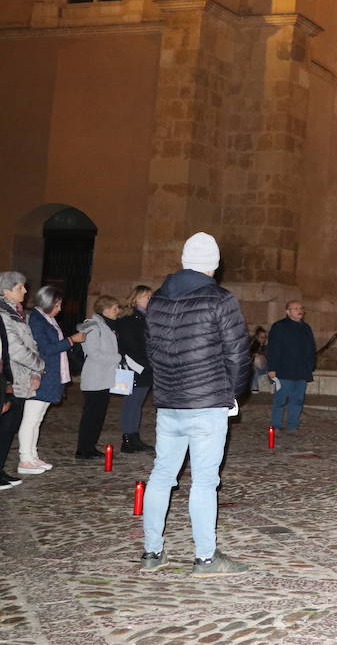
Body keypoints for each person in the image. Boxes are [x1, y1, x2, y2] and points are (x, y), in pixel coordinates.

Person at [139, 232, 251, 575]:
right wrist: (232, 393)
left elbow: (151, 350)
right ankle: (205, 556)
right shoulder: (220, 299)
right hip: (206, 401)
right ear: (213, 266)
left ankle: (152, 552)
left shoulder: (156, 300)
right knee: (204, 480)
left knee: (161, 476)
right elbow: (237, 353)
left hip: (169, 402)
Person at [22, 286, 86, 472]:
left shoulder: (48, 319)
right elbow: (45, 349)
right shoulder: (37, 320)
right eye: (57, 305)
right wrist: (70, 340)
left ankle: (32, 455)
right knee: (31, 418)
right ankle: (25, 458)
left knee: (38, 418)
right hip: (41, 374)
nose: (60, 309)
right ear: (47, 303)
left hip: (50, 375)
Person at [0, 271, 42, 489]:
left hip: (24, 376)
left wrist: (35, 373)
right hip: (10, 378)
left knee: (10, 427)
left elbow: (31, 343)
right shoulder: (4, 315)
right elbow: (15, 349)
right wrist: (40, 365)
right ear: (6, 291)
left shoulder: (17, 313)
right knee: (5, 426)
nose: (25, 291)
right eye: (20, 287)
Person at [74, 295, 123, 458]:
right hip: (95, 377)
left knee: (98, 416)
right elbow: (93, 353)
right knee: (91, 416)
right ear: (106, 310)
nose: (118, 311)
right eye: (115, 308)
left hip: (104, 378)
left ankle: (90, 446)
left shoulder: (106, 326)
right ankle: (83, 449)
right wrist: (117, 358)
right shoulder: (93, 327)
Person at [114, 285, 154, 453]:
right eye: (146, 297)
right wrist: (146, 361)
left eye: (150, 297)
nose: (149, 300)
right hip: (135, 366)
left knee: (137, 403)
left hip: (145, 365)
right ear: (136, 298)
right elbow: (131, 344)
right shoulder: (129, 319)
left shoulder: (146, 318)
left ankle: (134, 437)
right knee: (131, 403)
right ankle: (128, 439)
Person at [267, 301, 316, 431]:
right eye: (295, 308)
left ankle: (292, 425)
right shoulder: (279, 326)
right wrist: (272, 368)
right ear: (288, 312)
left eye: (301, 308)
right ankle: (276, 425)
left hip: (301, 371)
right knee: (280, 400)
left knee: (298, 400)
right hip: (284, 370)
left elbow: (311, 348)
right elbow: (273, 348)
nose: (299, 310)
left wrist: (311, 365)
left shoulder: (306, 327)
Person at [250, 326, 269, 392]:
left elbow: (268, 354)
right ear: (257, 337)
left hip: (265, 363)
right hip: (254, 363)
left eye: (265, 337)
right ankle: (254, 386)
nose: (263, 339)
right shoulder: (253, 343)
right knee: (255, 369)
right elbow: (248, 353)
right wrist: (254, 354)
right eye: (261, 337)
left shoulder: (266, 344)